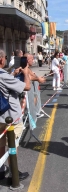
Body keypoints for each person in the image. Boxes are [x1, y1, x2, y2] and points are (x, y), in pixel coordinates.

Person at [0, 49, 31, 182]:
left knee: (0, 145)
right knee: (13, 145)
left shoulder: (4, 75)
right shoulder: (3, 75)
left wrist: (13, 74)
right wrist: (26, 73)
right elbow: (27, 87)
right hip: (10, 115)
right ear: (1, 59)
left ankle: (1, 170)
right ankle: (14, 174)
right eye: (5, 57)